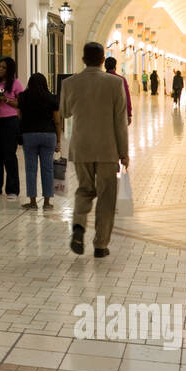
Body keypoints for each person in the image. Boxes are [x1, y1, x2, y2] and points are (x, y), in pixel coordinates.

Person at [60, 42, 129, 258]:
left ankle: (79, 226)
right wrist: (124, 152)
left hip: (81, 147)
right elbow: (120, 120)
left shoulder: (70, 83)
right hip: (107, 148)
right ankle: (100, 245)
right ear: (102, 60)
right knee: (107, 196)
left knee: (84, 190)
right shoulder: (114, 83)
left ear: (83, 59)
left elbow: (64, 112)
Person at [18, 72, 62, 209]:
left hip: (29, 135)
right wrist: (59, 141)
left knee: (31, 169)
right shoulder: (52, 98)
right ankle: (47, 202)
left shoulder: (23, 97)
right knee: (47, 169)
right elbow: (57, 121)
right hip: (48, 135)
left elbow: (20, 117)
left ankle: (32, 202)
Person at [0, 56, 23, 201]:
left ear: (9, 70)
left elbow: (20, 103)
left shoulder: (16, 83)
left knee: (9, 155)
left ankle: (12, 189)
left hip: (10, 121)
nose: (0, 70)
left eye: (3, 67)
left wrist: (6, 99)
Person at [103, 56, 132, 124]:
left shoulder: (100, 79)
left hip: (103, 114)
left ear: (105, 66)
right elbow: (127, 98)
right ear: (115, 66)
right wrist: (129, 114)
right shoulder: (121, 79)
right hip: (118, 113)